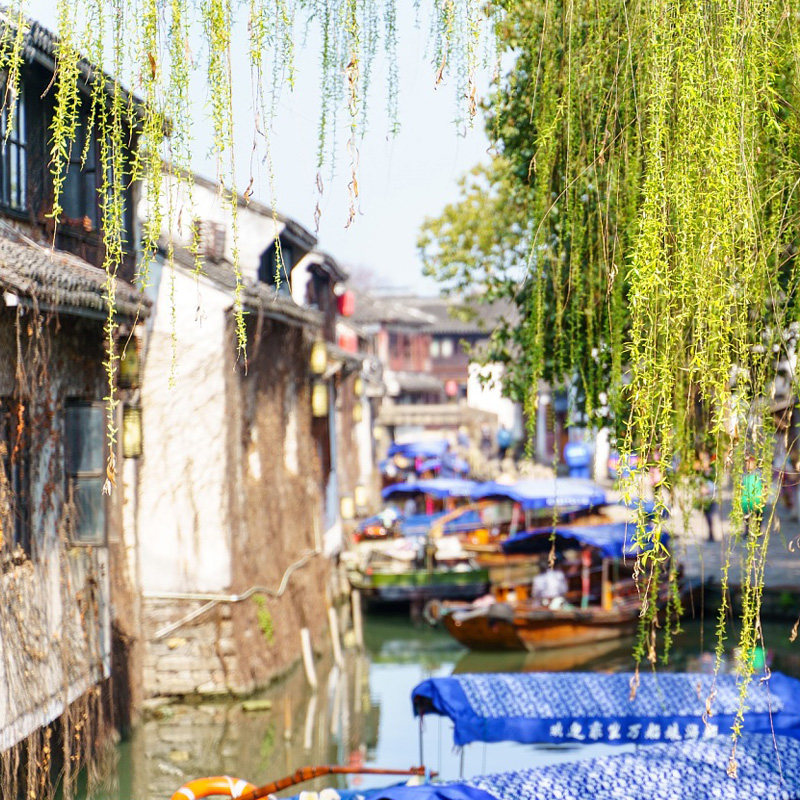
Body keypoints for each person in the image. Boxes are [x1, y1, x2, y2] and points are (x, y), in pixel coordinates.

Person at [741, 454, 765, 536]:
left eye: (750, 463)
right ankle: (747, 531)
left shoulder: (759, 474)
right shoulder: (743, 474)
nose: (749, 465)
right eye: (747, 463)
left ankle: (758, 531)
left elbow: (764, 485)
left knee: (758, 516)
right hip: (746, 499)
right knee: (747, 517)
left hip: (757, 498)